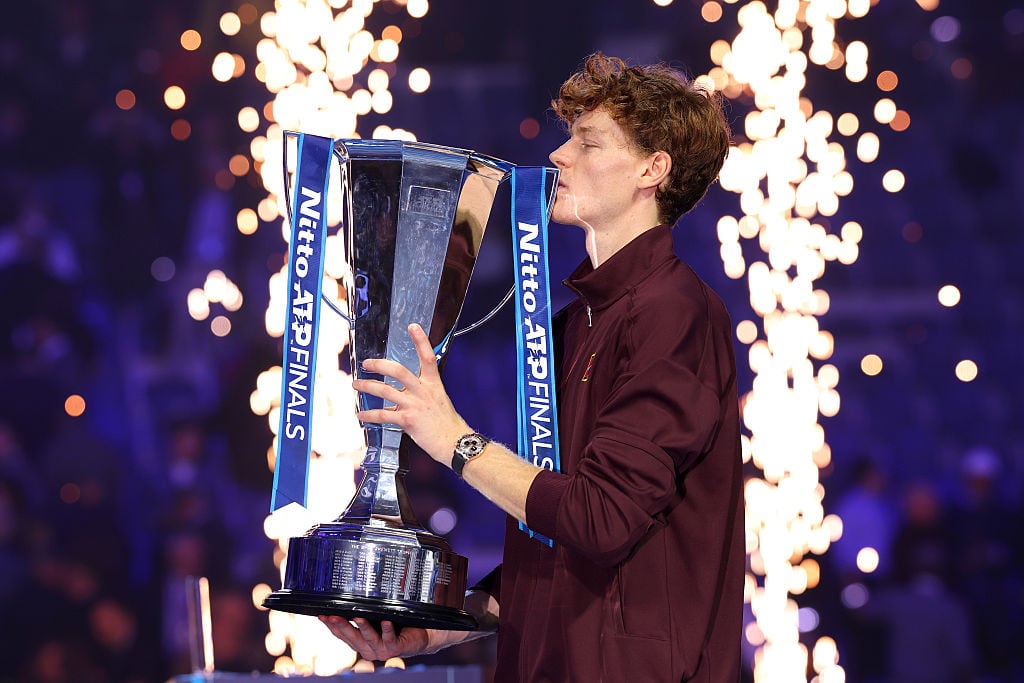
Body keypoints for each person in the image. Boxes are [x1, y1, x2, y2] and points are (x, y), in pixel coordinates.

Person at [320, 52, 744, 682]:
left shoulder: (674, 312)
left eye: (589, 142)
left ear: (653, 170)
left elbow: (600, 519)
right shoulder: (578, 322)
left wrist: (452, 439)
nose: (559, 157)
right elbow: (555, 535)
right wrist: (448, 621)